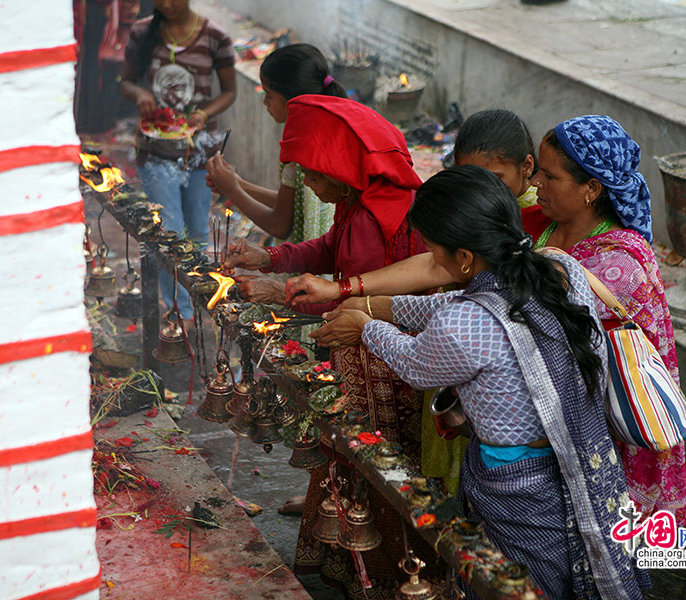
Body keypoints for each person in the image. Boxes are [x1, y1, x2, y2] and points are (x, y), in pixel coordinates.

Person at [316, 166, 648, 598]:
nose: (434, 262)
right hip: (585, 464)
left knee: (516, 587)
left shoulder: (468, 322)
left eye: (436, 253)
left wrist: (365, 327)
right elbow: (456, 306)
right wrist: (376, 307)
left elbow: (418, 364)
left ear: (466, 259)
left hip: (518, 486)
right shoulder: (557, 268)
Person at [225, 95, 431, 598]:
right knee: (348, 451)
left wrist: (280, 291)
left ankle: (384, 572)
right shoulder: (361, 202)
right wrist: (270, 257)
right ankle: (354, 558)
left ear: (342, 168)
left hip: (380, 353)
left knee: (372, 456)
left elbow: (357, 294)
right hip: (363, 340)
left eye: (315, 176)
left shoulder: (372, 217)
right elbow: (328, 253)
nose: (311, 187)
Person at [531, 114, 686, 526]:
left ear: (591, 189)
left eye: (549, 176)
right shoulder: (552, 229)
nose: (535, 185)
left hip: (608, 428)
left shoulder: (617, 266)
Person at [283, 108, 543, 305]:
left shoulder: (539, 222)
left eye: (494, 178)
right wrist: (337, 290)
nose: (480, 189)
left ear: (527, 167)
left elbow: (436, 272)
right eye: (469, 177)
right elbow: (433, 266)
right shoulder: (464, 207)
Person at [120, 0, 236, 318]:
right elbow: (126, 81)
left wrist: (203, 113)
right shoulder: (143, 32)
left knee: (197, 231)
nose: (167, 4)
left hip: (198, 154)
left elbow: (229, 91)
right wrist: (140, 94)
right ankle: (179, 316)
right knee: (168, 231)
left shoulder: (216, 37)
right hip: (155, 151)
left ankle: (193, 305)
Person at [206, 44, 345, 244]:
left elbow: (279, 225)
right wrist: (239, 183)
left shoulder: (299, 150)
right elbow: (293, 205)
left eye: (269, 96)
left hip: (306, 264)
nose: (265, 103)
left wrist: (232, 191)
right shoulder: (326, 132)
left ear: (293, 99)